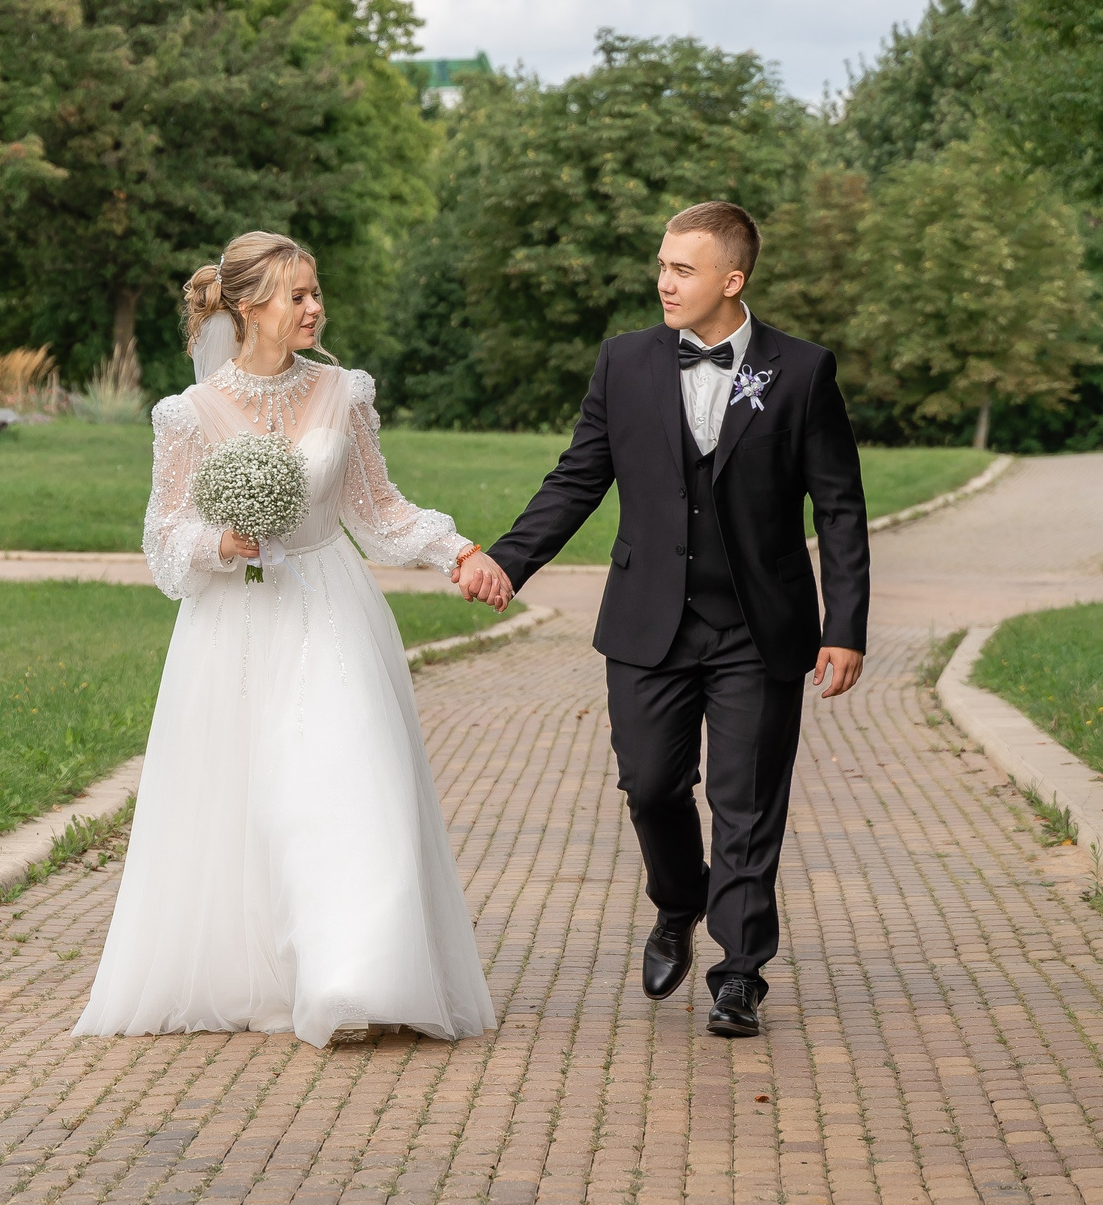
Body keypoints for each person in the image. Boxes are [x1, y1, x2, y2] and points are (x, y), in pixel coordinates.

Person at [453, 201, 868, 1038]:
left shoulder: (803, 370)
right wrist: (509, 558)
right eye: (662, 265)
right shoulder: (626, 363)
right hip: (648, 623)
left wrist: (845, 624)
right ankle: (678, 900)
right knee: (650, 787)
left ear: (731, 280)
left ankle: (740, 971)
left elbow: (839, 509)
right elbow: (577, 478)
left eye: (683, 269)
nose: (664, 282)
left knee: (747, 802)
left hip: (761, 627)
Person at [73, 231, 499, 1047]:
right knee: (254, 797)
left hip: (332, 610)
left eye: (315, 291)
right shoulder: (186, 416)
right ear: (246, 307)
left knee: (347, 779)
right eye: (296, 294)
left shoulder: (345, 393)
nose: (314, 307)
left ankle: (356, 979)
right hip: (235, 624)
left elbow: (380, 511)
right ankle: (266, 972)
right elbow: (164, 534)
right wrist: (218, 545)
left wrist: (459, 552)